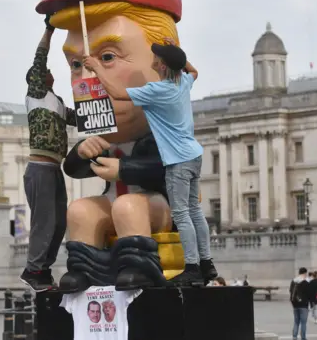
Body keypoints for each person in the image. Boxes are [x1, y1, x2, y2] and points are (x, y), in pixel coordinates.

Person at [36, 0, 194, 293]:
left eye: (107, 57)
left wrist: (123, 171)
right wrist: (81, 152)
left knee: (128, 205)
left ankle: (138, 267)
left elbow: (164, 169)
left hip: (155, 206)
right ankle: (83, 269)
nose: (85, 80)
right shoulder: (105, 132)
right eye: (76, 65)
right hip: (113, 200)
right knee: (81, 211)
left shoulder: (163, 130)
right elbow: (73, 169)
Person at [83, 39, 217, 286]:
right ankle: (207, 264)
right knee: (196, 212)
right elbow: (193, 71)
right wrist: (178, 54)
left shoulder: (160, 90)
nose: (152, 60)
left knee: (181, 214)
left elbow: (117, 93)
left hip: (177, 159)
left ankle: (192, 268)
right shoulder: (183, 82)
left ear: (164, 66)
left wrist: (96, 67)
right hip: (194, 155)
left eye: (157, 58)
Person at [20, 14, 77, 292]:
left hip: (54, 168)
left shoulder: (56, 101)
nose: (50, 71)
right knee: (44, 221)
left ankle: (42, 269)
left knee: (58, 222)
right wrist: (49, 30)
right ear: (38, 79)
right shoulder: (36, 94)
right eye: (45, 71)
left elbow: (78, 118)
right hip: (40, 168)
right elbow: (40, 57)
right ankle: (33, 269)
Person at [289, 267, 310, 340]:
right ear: (305, 273)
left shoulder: (294, 281)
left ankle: (294, 336)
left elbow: (290, 291)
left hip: (295, 304)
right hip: (304, 304)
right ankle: (303, 337)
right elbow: (308, 293)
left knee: (296, 322)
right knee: (303, 322)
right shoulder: (306, 281)